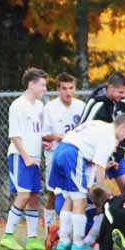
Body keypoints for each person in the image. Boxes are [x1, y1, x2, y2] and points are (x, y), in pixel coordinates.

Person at [48, 115, 125, 250]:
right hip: (72, 154)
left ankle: (63, 241)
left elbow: (90, 158)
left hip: (60, 151)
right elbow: (99, 168)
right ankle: (78, 243)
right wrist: (102, 195)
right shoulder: (109, 137)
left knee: (69, 198)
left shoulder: (99, 124)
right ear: (122, 127)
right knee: (80, 200)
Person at [1, 68, 49, 250]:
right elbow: (14, 135)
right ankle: (7, 235)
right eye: (42, 84)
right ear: (31, 84)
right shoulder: (18, 105)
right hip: (20, 157)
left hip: (34, 158)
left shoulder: (39, 106)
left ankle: (32, 239)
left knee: (35, 196)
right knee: (24, 194)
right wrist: (26, 156)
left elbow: (35, 132)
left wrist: (41, 144)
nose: (44, 88)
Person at [41, 73, 85, 236]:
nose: (68, 92)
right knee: (53, 193)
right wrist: (56, 136)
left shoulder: (81, 106)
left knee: (76, 192)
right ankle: (50, 230)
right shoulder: (50, 108)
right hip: (56, 155)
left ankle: (72, 230)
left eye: (71, 88)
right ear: (58, 89)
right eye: (64, 88)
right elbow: (44, 134)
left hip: (75, 156)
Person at [78, 72, 125, 191]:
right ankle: (99, 208)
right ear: (110, 88)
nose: (123, 96)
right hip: (98, 156)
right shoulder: (97, 104)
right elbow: (82, 129)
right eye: (120, 92)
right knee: (95, 191)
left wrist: (124, 147)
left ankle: (124, 208)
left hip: (117, 155)